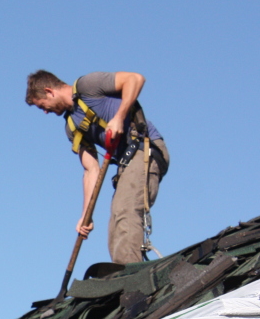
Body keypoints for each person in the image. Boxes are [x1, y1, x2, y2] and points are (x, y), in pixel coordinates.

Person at [25, 70, 169, 264]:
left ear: (49, 91)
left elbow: (135, 79)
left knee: (124, 210)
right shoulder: (72, 127)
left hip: (145, 149)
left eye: (42, 106)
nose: (44, 112)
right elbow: (91, 170)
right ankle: (123, 274)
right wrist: (86, 216)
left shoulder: (88, 86)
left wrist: (119, 117)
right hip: (126, 163)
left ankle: (132, 278)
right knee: (115, 223)